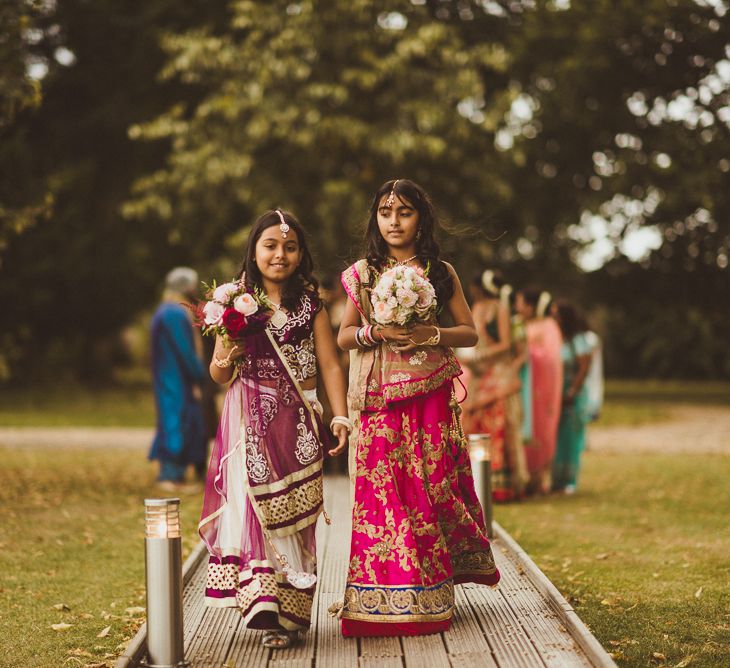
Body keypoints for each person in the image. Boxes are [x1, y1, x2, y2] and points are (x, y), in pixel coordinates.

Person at [336, 178, 500, 637]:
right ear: (375, 219)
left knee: (430, 484)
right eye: (385, 212)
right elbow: (344, 336)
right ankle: (381, 594)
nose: (393, 221)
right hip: (378, 401)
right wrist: (377, 333)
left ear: (420, 219)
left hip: (428, 395)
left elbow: (469, 332)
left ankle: (430, 590)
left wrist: (432, 335)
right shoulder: (362, 273)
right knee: (384, 491)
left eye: (404, 212)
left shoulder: (439, 271)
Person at [198, 210, 349, 649]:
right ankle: (264, 604)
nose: (279, 254)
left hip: (298, 422)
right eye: (270, 245)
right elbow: (219, 374)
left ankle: (293, 609)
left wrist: (339, 416)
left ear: (301, 254)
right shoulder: (234, 303)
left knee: (296, 515)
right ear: (254, 250)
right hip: (249, 422)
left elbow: (329, 365)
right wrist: (230, 343)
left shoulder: (310, 306)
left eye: (289, 246)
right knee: (253, 507)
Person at [461, 270, 527, 501]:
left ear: (482, 287)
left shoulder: (499, 308)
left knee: (499, 426)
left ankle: (503, 486)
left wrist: (479, 356)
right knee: (472, 425)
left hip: (498, 375)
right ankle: (476, 484)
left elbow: (506, 345)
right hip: (480, 377)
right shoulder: (476, 308)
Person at [149, 267, 207, 491]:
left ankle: (175, 474)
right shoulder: (174, 313)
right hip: (175, 377)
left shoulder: (164, 310)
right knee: (177, 421)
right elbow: (185, 350)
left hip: (168, 375)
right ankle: (171, 475)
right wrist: (200, 373)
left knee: (177, 419)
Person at [514, 287, 563, 495]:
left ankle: (539, 477)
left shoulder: (548, 325)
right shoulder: (517, 323)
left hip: (539, 389)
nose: (517, 306)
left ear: (531, 306)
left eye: (521, 302)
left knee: (540, 429)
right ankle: (521, 476)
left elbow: (551, 357)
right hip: (520, 383)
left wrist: (528, 353)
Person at [552, 301, 593, 493]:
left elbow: (584, 368)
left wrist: (571, 392)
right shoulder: (555, 338)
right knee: (557, 437)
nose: (553, 318)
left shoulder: (578, 340)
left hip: (573, 394)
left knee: (571, 438)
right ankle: (555, 478)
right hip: (555, 393)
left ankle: (570, 480)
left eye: (556, 314)